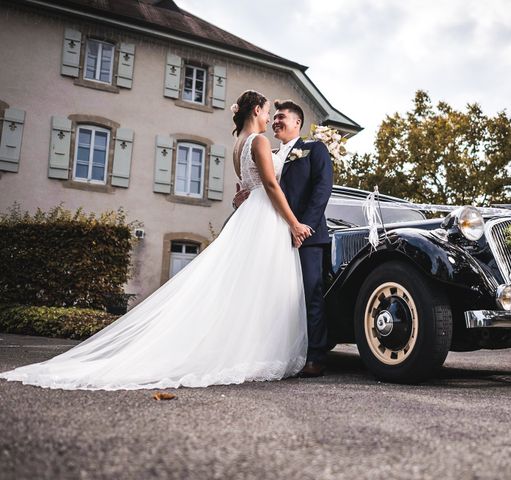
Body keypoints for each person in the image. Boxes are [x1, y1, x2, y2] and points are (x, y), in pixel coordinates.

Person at [0, 90, 312, 390]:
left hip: (249, 215)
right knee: (262, 285)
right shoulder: (258, 140)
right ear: (256, 110)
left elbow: (245, 186)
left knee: (242, 285)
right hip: (264, 215)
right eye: (268, 110)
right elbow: (270, 184)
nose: (270, 116)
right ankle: (253, 352)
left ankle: (244, 350)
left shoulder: (237, 144)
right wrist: (295, 222)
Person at [234, 99, 333, 377]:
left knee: (310, 293)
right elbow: (265, 187)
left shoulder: (314, 149)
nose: (275, 121)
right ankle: (279, 353)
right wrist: (246, 197)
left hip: (306, 236)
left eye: (282, 117)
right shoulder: (270, 151)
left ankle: (315, 356)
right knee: (275, 294)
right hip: (273, 234)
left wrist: (304, 228)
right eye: (273, 117)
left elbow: (322, 190)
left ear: (297, 123)